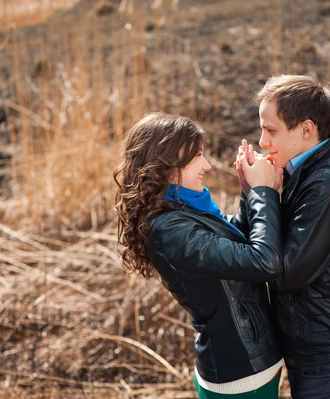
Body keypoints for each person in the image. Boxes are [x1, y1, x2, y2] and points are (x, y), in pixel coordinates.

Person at [114, 112, 286, 399]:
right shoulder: (170, 230)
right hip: (240, 377)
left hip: (248, 367)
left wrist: (248, 193)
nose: (206, 165)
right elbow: (263, 262)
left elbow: (237, 244)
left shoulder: (183, 211)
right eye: (197, 157)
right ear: (167, 164)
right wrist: (263, 193)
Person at [235, 75, 330, 398]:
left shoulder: (327, 184)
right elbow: (255, 245)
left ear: (306, 129)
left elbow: (284, 272)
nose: (262, 142)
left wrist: (262, 194)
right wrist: (252, 194)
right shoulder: (301, 176)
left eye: (271, 130)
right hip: (317, 365)